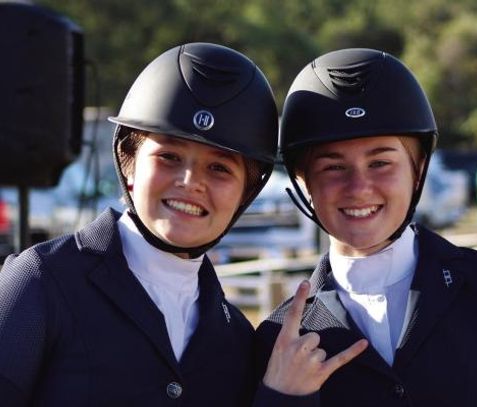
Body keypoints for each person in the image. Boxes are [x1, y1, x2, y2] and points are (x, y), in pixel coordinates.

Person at [254, 48, 477, 406]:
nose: (359, 188)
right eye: (333, 167)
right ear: (303, 180)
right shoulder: (280, 336)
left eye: (380, 163)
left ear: (418, 169)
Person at [0, 42, 278, 406]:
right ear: (129, 164)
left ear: (246, 192)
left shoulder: (237, 337)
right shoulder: (40, 282)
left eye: (219, 168)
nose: (190, 181)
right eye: (169, 156)